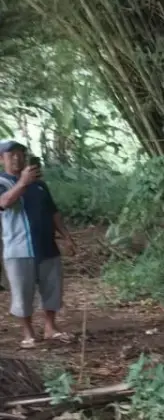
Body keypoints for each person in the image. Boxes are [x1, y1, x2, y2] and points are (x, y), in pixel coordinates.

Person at [0, 141, 76, 348]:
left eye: (20, 154)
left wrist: (66, 236)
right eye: (11, 154)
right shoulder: (3, 183)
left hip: (47, 246)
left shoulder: (40, 185)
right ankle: (28, 333)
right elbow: (4, 203)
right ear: (1, 159)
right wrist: (23, 183)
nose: (17, 158)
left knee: (52, 289)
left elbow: (54, 212)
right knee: (22, 292)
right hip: (18, 249)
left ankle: (51, 327)